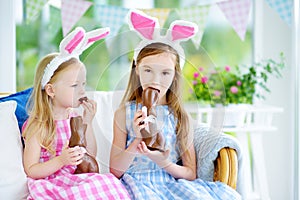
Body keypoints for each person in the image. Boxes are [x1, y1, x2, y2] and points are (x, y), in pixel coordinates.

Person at [109, 10, 241, 200]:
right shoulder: (124, 113)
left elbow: (190, 173)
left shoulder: (179, 116)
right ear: (137, 69)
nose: (156, 80)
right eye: (148, 70)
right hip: (135, 184)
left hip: (170, 184)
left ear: (174, 76)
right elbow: (115, 171)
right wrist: (138, 139)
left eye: (165, 73)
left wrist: (163, 162)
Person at [22, 27, 130, 199]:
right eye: (74, 85)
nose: (82, 91)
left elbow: (90, 154)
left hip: (77, 178)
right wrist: (61, 161)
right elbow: (31, 170)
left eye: (83, 84)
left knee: (107, 181)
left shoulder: (74, 118)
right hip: (53, 183)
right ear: (50, 90)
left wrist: (88, 122)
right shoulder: (39, 125)